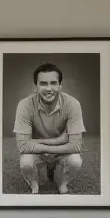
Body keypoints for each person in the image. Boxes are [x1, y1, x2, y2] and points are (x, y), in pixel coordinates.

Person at [13, 62, 85, 194]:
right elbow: (23, 146)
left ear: (60, 85)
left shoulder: (73, 104)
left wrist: (37, 142)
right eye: (43, 84)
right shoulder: (24, 105)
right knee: (26, 162)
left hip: (40, 146)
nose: (49, 88)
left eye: (53, 83)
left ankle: (63, 183)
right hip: (38, 151)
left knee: (75, 160)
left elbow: (75, 146)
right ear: (36, 86)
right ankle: (34, 185)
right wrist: (60, 140)